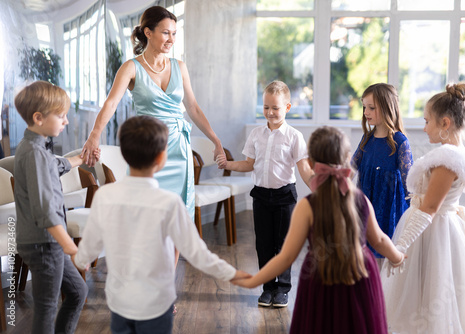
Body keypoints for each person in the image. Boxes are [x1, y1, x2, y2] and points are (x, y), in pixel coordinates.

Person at [73, 115, 249, 334]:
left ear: (125, 157)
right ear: (161, 158)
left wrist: (80, 259)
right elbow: (198, 254)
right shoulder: (170, 202)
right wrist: (233, 274)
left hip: (120, 303)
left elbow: (89, 247)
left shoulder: (105, 196)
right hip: (157, 306)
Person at [232, 126, 405, 332]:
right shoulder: (361, 200)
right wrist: (398, 258)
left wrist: (253, 280)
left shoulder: (307, 205)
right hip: (360, 273)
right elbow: (380, 241)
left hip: (319, 275)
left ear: (312, 163)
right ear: (348, 159)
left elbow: (286, 257)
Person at [81, 6, 224, 221]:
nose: (171, 39)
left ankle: (171, 256)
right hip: (147, 148)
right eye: (165, 33)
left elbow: (192, 107)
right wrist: (94, 136)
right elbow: (110, 104)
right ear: (148, 32)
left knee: (178, 215)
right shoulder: (131, 68)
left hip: (178, 148)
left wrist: (215, 140)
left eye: (174, 34)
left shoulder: (179, 67)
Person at [381, 82, 465, 333]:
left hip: (434, 231)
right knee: (430, 286)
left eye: (427, 121)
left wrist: (400, 246)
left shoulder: (448, 161)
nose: (424, 128)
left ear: (445, 123)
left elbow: (430, 208)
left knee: (433, 285)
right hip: (436, 226)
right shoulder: (453, 154)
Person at [217, 80, 314, 308]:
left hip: (284, 197)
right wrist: (228, 164)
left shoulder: (294, 137)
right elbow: (249, 164)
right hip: (260, 196)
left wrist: (322, 191)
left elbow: (304, 170)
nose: (270, 112)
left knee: (283, 245)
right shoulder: (256, 135)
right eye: (266, 107)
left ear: (287, 108)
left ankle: (282, 289)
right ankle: (268, 288)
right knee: (263, 244)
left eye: (275, 108)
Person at [13, 81, 99, 334]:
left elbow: (57, 165)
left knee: (77, 292)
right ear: (39, 118)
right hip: (44, 244)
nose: (66, 121)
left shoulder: (33, 148)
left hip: (47, 243)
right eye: (61, 116)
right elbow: (45, 212)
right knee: (46, 308)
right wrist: (72, 247)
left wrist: (81, 158)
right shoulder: (35, 154)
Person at [351, 83, 413, 265]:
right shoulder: (366, 139)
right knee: (365, 255)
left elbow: (409, 182)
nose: (366, 112)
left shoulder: (400, 142)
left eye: (371, 107)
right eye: (364, 107)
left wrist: (416, 213)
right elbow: (351, 168)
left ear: (387, 108)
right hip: (367, 204)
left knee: (385, 255)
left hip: (389, 208)